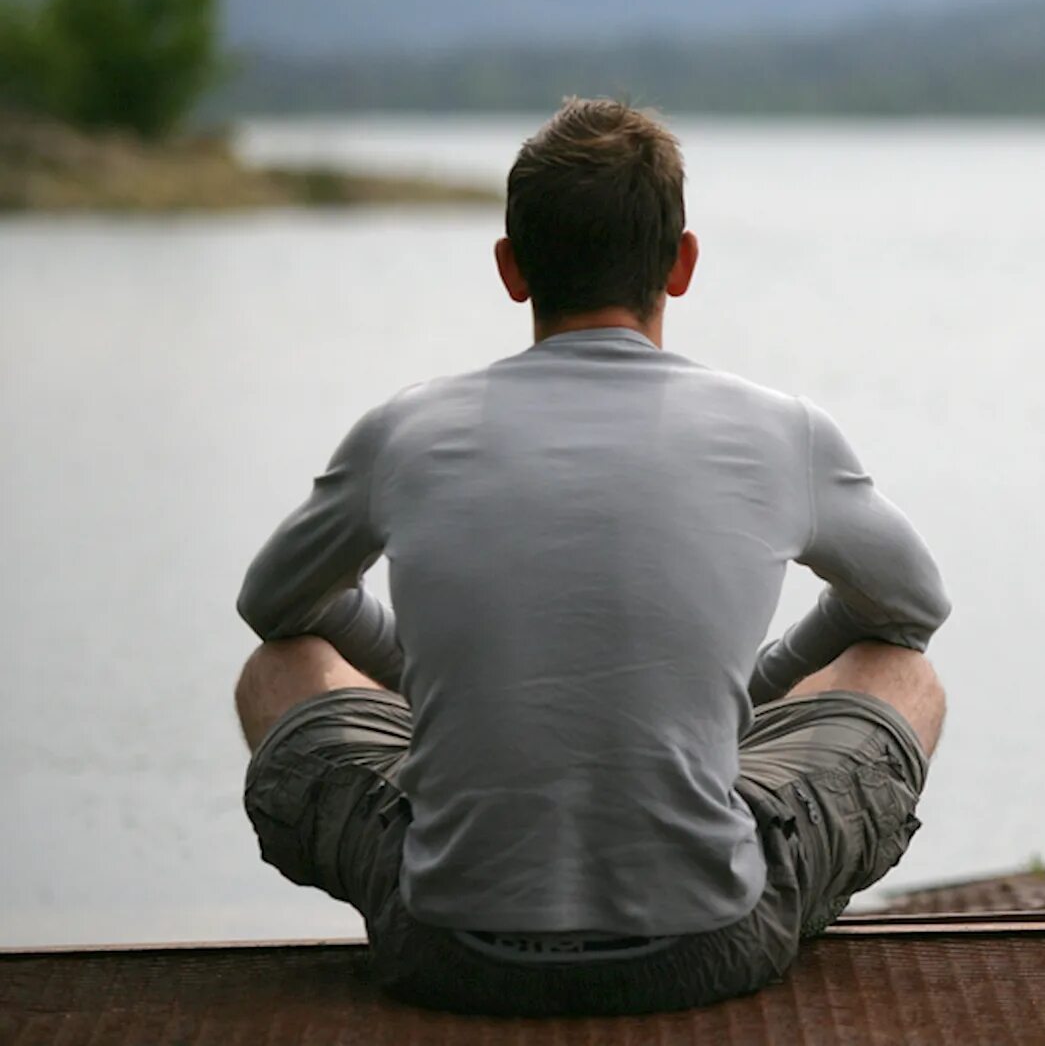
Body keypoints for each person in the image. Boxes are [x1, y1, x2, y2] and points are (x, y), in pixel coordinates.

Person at [231, 98, 951, 1016]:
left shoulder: (404, 433)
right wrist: (757, 690)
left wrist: (430, 678)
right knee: (906, 674)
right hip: (708, 945)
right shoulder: (782, 432)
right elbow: (910, 612)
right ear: (682, 263)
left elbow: (275, 609)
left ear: (511, 269)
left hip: (445, 945)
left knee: (278, 668)